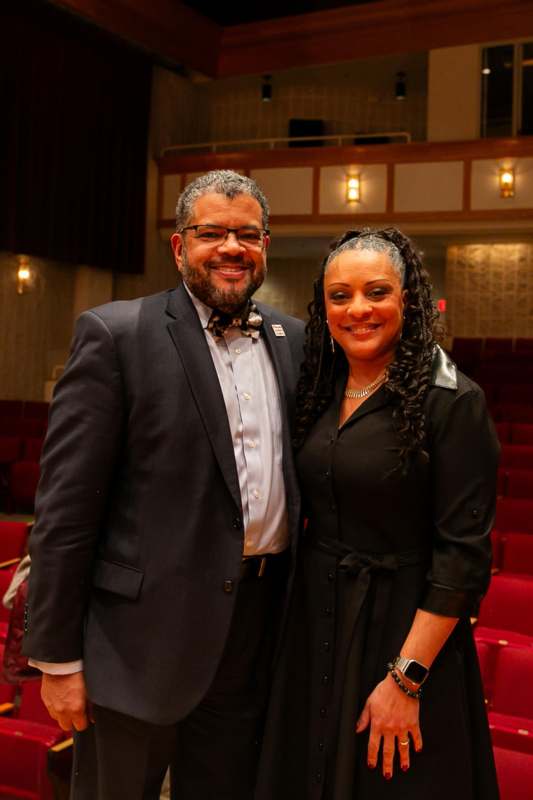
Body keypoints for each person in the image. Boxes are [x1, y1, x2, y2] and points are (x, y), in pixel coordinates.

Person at [23, 170, 305, 800]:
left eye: (247, 234)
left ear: (265, 246)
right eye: (212, 233)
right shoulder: (115, 335)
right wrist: (58, 659)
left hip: (253, 639)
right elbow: (65, 513)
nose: (232, 247)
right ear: (180, 247)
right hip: (135, 647)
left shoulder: (297, 342)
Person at [256, 227, 500, 799]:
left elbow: (461, 561)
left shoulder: (453, 400)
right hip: (315, 621)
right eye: (340, 296)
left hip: (403, 632)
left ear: (408, 299)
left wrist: (406, 681)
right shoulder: (318, 387)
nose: (357, 309)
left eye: (377, 292)